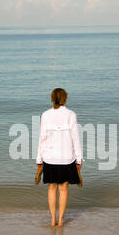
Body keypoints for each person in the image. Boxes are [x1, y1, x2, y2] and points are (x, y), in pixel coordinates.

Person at [36, 88, 83, 227]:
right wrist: (79, 159)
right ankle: (61, 220)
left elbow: (42, 139)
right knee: (63, 188)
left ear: (52, 98)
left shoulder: (45, 115)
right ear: (65, 99)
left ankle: (52, 220)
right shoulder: (71, 115)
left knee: (52, 188)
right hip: (67, 157)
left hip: (50, 158)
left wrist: (39, 159)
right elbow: (75, 138)